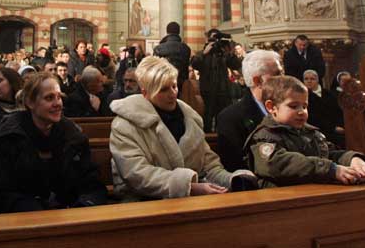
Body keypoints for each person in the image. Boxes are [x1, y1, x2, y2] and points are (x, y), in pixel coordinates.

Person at [109, 57, 256, 201]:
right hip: (143, 202)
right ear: (145, 93)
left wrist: (231, 180)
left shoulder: (190, 119)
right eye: (163, 89)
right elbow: (137, 174)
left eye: (174, 86)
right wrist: (188, 187)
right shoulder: (125, 125)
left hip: (191, 200)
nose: (173, 93)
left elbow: (209, 166)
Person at [0, 72, 107, 212]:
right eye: (49, 98)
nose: (57, 104)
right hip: (24, 218)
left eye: (59, 97)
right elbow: (3, 190)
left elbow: (92, 185)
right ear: (30, 102)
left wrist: (83, 207)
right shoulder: (10, 138)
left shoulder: (74, 138)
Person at [245, 75, 365, 188]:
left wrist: (352, 159)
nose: (302, 111)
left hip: (315, 196)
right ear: (271, 107)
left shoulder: (311, 133)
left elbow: (328, 153)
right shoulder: (265, 136)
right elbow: (277, 164)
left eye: (305, 106)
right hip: (282, 202)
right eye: (293, 106)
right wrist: (330, 169)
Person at [215, 49, 284, 171]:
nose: (283, 79)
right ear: (258, 81)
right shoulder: (230, 118)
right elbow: (235, 166)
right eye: (277, 74)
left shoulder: (290, 109)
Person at [193, 29, 242, 132]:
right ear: (208, 40)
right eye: (213, 39)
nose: (215, 42)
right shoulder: (202, 53)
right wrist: (205, 53)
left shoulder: (224, 54)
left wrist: (230, 52)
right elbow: (195, 64)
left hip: (223, 90)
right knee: (207, 118)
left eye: (217, 39)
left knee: (222, 119)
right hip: (207, 90)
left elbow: (236, 65)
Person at [302, 69, 345, 147]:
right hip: (318, 130)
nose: (309, 81)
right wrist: (333, 128)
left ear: (318, 80)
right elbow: (312, 118)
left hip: (337, 127)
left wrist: (340, 126)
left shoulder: (328, 94)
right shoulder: (303, 97)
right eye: (306, 79)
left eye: (312, 79)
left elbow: (338, 111)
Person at [152, 21, 192, 92]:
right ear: (179, 32)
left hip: (164, 82)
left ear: (167, 32)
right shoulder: (186, 48)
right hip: (181, 84)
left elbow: (155, 68)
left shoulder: (159, 48)